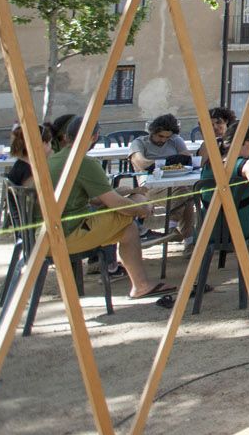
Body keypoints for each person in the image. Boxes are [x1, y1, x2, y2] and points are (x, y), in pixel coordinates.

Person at [45, 116, 172, 299]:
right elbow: (117, 205)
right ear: (95, 136)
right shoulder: (83, 162)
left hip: (48, 233)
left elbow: (94, 199)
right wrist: (142, 208)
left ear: (67, 136)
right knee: (129, 217)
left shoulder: (55, 159)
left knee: (128, 228)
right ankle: (140, 282)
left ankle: (139, 283)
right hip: (67, 234)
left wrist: (123, 192)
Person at [129, 113, 199, 240]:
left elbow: (188, 159)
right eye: (160, 136)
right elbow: (142, 163)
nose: (163, 140)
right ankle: (185, 239)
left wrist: (163, 163)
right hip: (151, 187)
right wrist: (170, 161)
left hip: (175, 183)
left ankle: (173, 229)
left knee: (186, 197)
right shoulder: (139, 143)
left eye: (167, 137)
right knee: (187, 195)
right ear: (152, 132)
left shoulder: (175, 140)